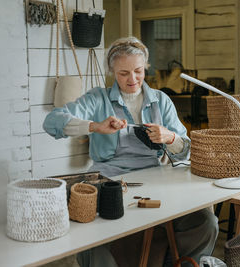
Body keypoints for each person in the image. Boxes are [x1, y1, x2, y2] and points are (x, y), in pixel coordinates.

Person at [43, 37, 218, 267]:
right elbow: (52, 122)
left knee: (205, 222)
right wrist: (95, 126)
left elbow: (185, 152)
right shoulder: (98, 98)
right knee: (89, 234)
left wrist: (171, 137)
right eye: (123, 73)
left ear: (145, 67)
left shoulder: (161, 101)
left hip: (156, 179)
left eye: (138, 71)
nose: (132, 79)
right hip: (110, 180)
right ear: (112, 72)